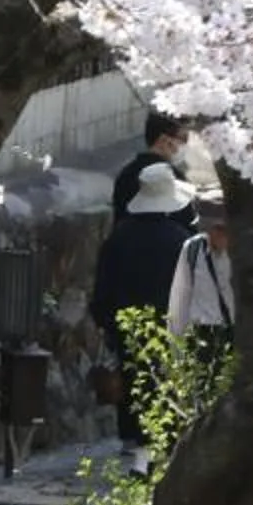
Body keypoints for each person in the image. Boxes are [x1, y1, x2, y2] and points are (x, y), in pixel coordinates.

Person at [92, 162, 196, 447]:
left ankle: (133, 443)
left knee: (132, 378)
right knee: (167, 383)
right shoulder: (182, 240)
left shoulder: (119, 237)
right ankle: (164, 442)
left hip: (127, 325)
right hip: (172, 325)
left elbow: (103, 288)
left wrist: (105, 321)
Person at [166, 188, 238, 360]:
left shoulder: (249, 254)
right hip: (204, 339)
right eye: (208, 228)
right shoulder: (192, 249)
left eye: (220, 229)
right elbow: (179, 301)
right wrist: (177, 353)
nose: (213, 235)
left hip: (241, 336)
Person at [113, 109, 195, 221]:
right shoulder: (171, 178)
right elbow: (187, 221)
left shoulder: (126, 173)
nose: (186, 144)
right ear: (165, 141)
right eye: (184, 138)